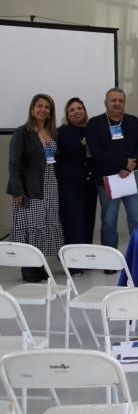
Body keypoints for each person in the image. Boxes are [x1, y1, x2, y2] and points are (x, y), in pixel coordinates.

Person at [7, 94, 65, 282]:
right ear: (32, 109)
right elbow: (14, 163)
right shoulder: (22, 132)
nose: (43, 110)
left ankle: (40, 265)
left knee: (46, 225)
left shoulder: (52, 133)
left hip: (50, 185)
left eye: (47, 107)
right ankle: (28, 268)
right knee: (30, 227)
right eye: (39, 106)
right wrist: (17, 190)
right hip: (30, 187)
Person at [86, 87, 138, 251]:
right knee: (109, 221)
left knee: (137, 219)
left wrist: (129, 166)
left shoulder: (134, 122)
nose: (117, 103)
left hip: (131, 177)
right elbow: (96, 151)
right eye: (113, 100)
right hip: (107, 180)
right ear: (106, 102)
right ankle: (110, 258)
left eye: (121, 100)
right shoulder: (94, 123)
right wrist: (123, 163)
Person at [56, 98, 97, 255]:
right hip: (70, 185)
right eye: (72, 109)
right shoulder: (61, 132)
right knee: (73, 222)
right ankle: (73, 262)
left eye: (80, 108)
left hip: (90, 184)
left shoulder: (92, 130)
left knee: (88, 220)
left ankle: (85, 257)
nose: (77, 111)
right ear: (67, 114)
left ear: (85, 111)